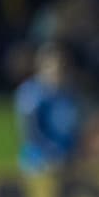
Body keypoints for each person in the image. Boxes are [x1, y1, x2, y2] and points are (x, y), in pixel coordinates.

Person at [15, 43, 83, 173]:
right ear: (40, 66)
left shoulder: (69, 94)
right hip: (37, 161)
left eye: (61, 66)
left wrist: (72, 154)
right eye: (51, 66)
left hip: (66, 161)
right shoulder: (30, 93)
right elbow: (30, 133)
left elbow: (73, 129)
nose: (56, 71)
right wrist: (52, 155)